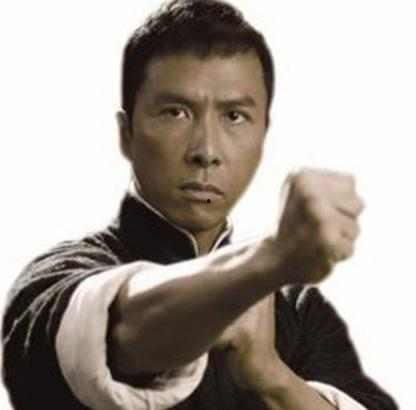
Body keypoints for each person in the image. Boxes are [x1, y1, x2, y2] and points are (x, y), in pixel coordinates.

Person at [1, 0, 397, 409]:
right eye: (176, 112)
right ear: (126, 134)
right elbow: (115, 328)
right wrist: (267, 259)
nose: (206, 151)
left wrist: (273, 376)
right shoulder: (54, 283)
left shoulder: (298, 311)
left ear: (264, 134)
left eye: (235, 116)